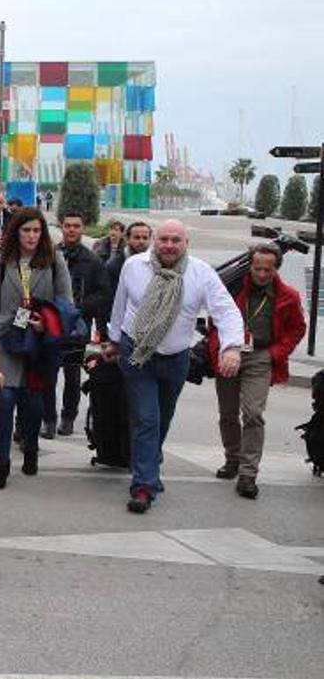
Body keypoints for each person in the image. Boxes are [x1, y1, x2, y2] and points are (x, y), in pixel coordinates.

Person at [107, 219, 243, 514]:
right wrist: (113, 340)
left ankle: (149, 468)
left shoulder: (200, 273)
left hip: (176, 358)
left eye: (176, 240)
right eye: (164, 239)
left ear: (186, 243)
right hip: (137, 353)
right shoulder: (134, 266)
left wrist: (232, 347)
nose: (169, 245)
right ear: (155, 241)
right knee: (147, 419)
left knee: (163, 419)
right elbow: (119, 306)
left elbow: (226, 311)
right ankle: (142, 486)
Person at [0, 208, 72, 489]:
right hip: (7, 339)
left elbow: (66, 303)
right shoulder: (2, 260)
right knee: (6, 400)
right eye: (26, 230)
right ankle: (2, 464)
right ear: (16, 232)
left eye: (36, 230)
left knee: (32, 405)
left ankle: (30, 448)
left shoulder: (54, 259)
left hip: (37, 344)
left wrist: (47, 324)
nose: (32, 236)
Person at [208, 242, 306, 499]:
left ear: (276, 269)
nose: (262, 274)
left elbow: (297, 329)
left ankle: (248, 474)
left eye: (268, 270)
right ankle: (233, 459)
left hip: (261, 356)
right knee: (228, 413)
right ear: (250, 266)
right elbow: (214, 320)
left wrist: (276, 354)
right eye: (258, 268)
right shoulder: (233, 287)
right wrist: (220, 348)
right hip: (230, 352)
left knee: (253, 414)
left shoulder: (289, 296)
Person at [46, 209, 110, 438]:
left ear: (82, 229)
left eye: (76, 226)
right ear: (61, 227)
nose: (71, 229)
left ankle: (68, 417)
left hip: (77, 327)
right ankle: (49, 420)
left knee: (72, 376)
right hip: (51, 325)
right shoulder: (50, 254)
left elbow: (103, 294)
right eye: (67, 225)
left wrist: (80, 308)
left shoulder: (92, 260)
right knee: (48, 375)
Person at [107, 221, 152, 299]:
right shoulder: (114, 266)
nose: (141, 241)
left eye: (145, 238)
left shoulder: (155, 264)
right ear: (127, 239)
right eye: (137, 237)